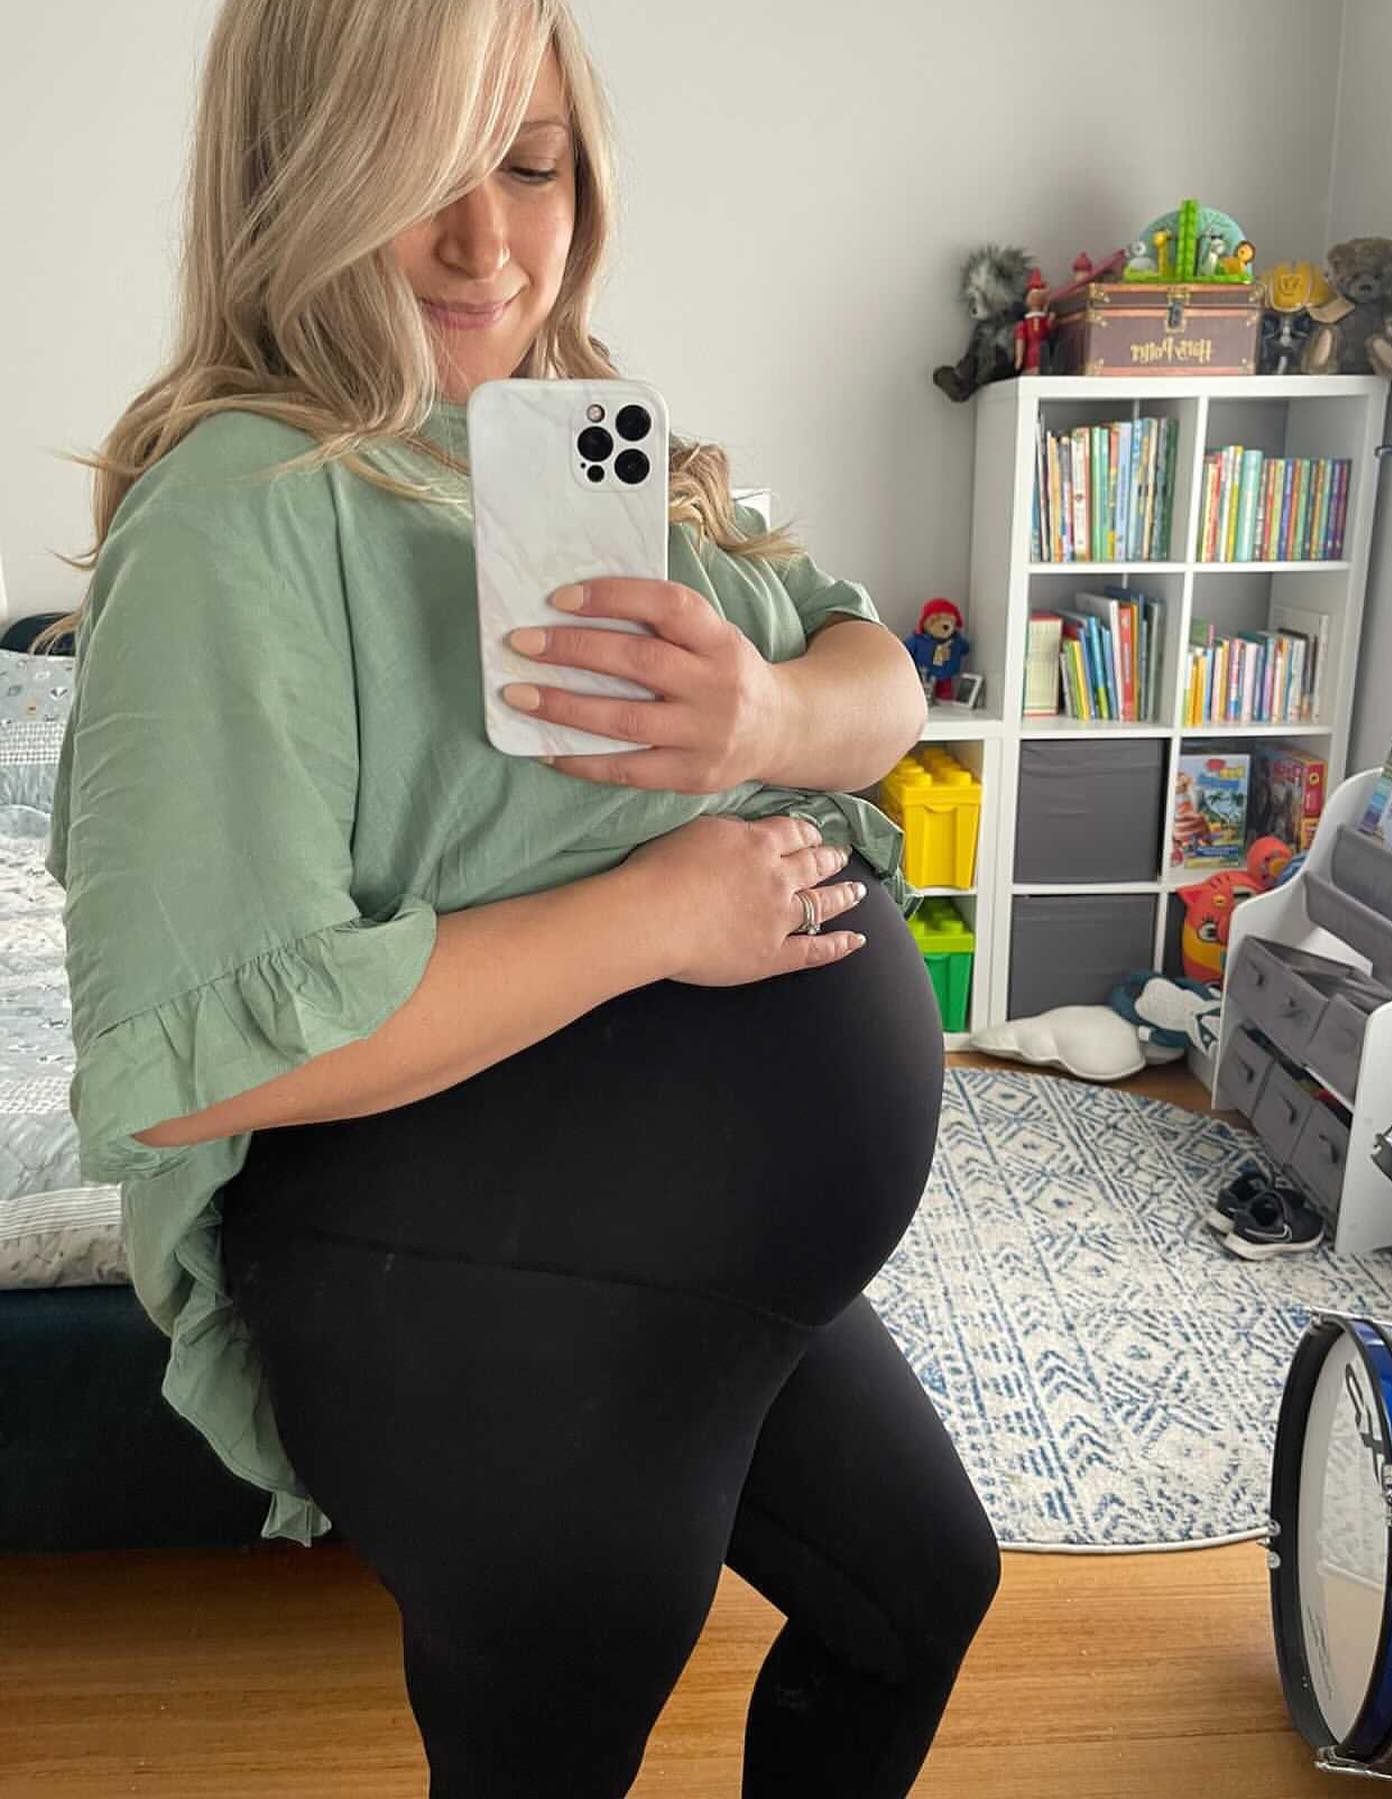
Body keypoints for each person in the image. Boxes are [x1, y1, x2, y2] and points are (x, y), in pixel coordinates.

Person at [41, 0, 1001, 1790]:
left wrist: (769, 714)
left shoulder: (575, 454)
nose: (487, 239)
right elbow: (192, 1059)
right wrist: (658, 919)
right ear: (299, 177)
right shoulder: (239, 510)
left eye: (534, 166)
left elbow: (880, 675)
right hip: (481, 1286)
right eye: (418, 172)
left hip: (695, 1253)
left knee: (919, 1595)